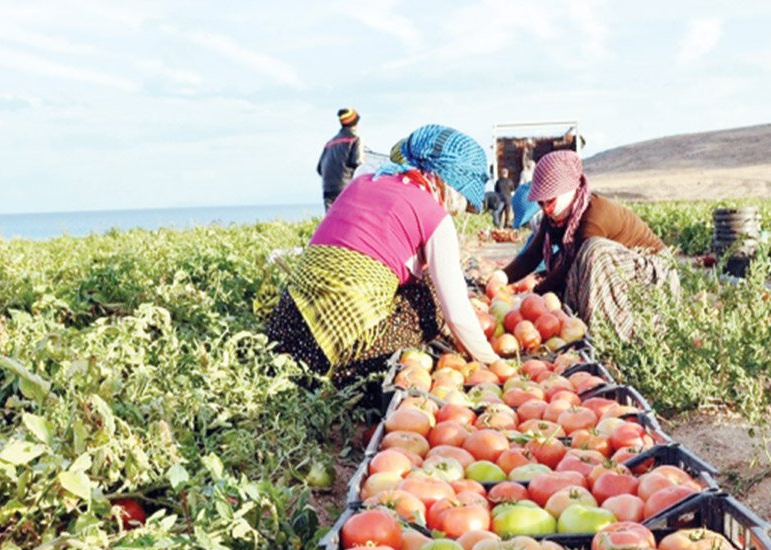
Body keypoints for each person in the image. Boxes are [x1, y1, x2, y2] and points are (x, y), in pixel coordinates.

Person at [269, 123, 499, 392]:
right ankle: (352, 377)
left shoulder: (362, 183)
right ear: (449, 181)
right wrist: (493, 364)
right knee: (432, 301)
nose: (459, 209)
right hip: (340, 350)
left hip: (287, 332)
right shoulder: (433, 213)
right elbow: (456, 314)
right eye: (463, 197)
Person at [499, 150, 678, 339]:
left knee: (592, 251)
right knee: (566, 264)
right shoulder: (554, 217)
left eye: (550, 200)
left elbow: (572, 265)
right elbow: (532, 255)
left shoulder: (595, 214)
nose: (546, 208)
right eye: (540, 203)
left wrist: (534, 295)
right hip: (619, 270)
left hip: (651, 274)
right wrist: (501, 277)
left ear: (570, 189)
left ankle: (610, 333)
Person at [317, 108, 364, 209]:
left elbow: (319, 169)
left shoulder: (329, 144)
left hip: (328, 189)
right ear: (355, 123)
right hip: (345, 189)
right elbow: (358, 163)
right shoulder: (355, 139)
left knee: (332, 217)